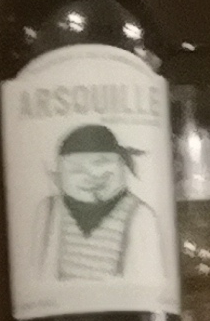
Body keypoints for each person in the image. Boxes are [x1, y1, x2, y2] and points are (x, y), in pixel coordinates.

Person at [32, 122, 168, 295]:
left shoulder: (141, 216)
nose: (92, 175)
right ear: (59, 175)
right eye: (76, 169)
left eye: (102, 162)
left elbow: (147, 283)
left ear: (122, 164)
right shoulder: (48, 211)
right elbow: (35, 274)